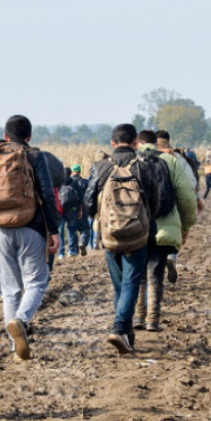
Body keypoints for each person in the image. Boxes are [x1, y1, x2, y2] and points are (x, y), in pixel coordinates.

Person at [0, 114, 60, 360]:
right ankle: (21, 320)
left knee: (9, 289)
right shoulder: (34, 156)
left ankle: (14, 346)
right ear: (29, 136)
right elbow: (47, 195)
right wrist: (54, 230)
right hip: (31, 226)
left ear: (5, 136)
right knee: (36, 281)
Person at [85, 123, 161, 353]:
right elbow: (155, 201)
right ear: (136, 143)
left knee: (119, 285)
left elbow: (88, 200)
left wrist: (99, 217)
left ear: (112, 143)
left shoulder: (101, 167)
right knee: (130, 284)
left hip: (110, 236)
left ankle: (126, 334)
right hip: (137, 235)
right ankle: (120, 329)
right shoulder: (143, 167)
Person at [135, 130, 198, 332]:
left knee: (139, 275)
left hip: (136, 228)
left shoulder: (132, 161)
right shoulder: (171, 162)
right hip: (164, 229)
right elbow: (187, 197)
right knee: (155, 276)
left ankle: (138, 317)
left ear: (138, 143)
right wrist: (185, 227)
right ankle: (152, 320)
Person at [154, 130, 200, 286]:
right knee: (173, 234)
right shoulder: (179, 158)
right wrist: (187, 224)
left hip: (152, 206)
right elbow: (191, 185)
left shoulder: (146, 157)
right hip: (175, 204)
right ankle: (171, 257)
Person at [57, 167, 83, 259]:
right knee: (71, 229)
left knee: (60, 230)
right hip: (72, 209)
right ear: (70, 173)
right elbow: (80, 197)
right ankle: (71, 251)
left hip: (60, 210)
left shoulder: (58, 182)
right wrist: (80, 210)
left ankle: (61, 253)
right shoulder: (74, 182)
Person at [69, 164, 90, 256]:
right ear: (80, 172)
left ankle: (74, 249)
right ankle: (83, 242)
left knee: (72, 229)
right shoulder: (85, 182)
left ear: (72, 172)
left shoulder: (67, 182)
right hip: (82, 208)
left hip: (69, 209)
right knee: (85, 228)